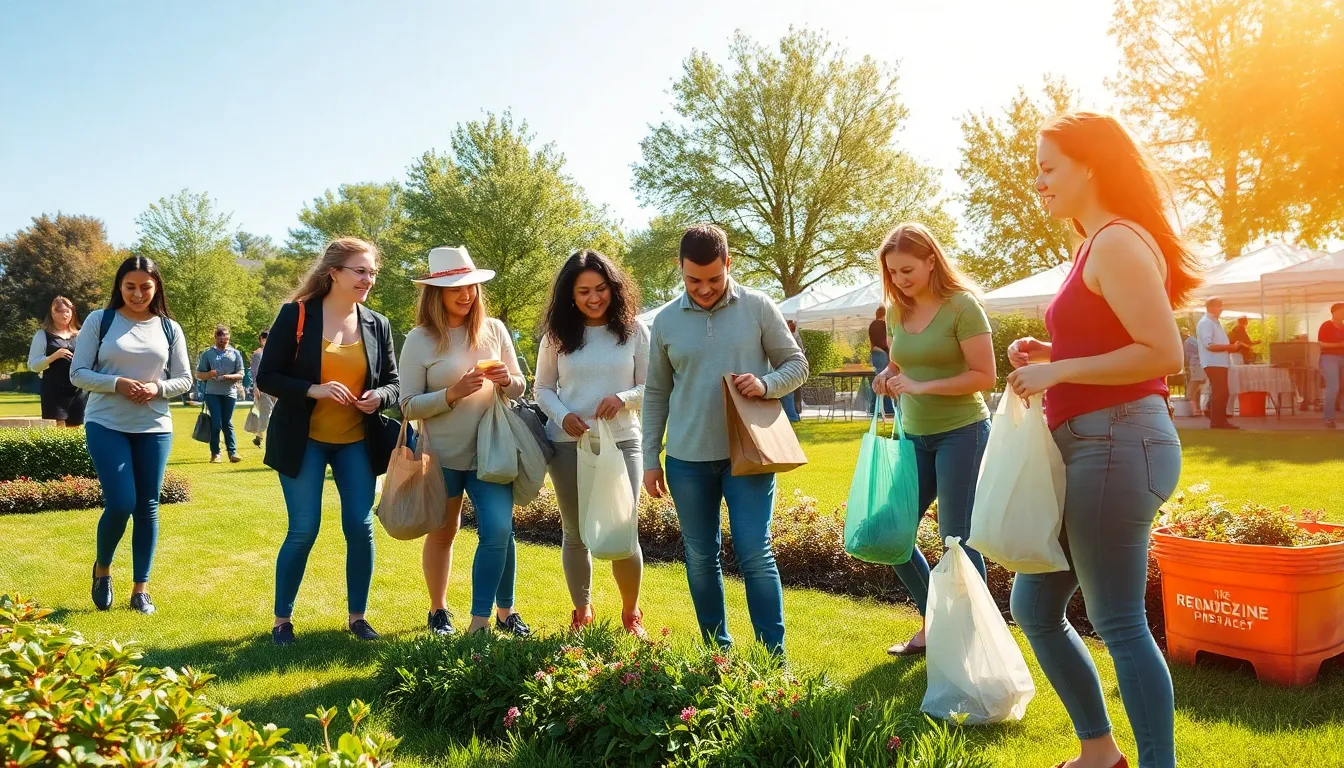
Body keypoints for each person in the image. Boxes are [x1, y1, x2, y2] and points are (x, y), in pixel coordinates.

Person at [1005, 112, 1198, 768]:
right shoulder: (1093, 247)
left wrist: (1058, 368)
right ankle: (1098, 751)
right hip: (1095, 443)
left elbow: (1162, 351)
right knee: (1034, 602)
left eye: (1049, 167)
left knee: (1118, 621)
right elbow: (1115, 342)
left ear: (1090, 165)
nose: (1039, 182)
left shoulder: (1117, 241)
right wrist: (1051, 350)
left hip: (1117, 443)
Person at [642, 224, 808, 656]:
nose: (704, 289)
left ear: (728, 265)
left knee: (756, 553)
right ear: (680, 269)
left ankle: (774, 661)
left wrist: (767, 384)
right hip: (686, 459)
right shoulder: (664, 321)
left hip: (748, 456)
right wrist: (649, 458)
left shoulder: (758, 306)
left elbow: (796, 364)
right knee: (700, 558)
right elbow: (656, 393)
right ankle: (719, 655)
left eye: (714, 279)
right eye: (693, 280)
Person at [256, 237, 400, 646]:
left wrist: (380, 397)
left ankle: (358, 617)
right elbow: (267, 377)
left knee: (360, 525)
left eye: (372, 272)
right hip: (305, 441)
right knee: (304, 529)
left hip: (356, 440)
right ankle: (282, 620)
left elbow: (393, 382)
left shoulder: (378, 323)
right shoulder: (296, 315)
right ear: (333, 272)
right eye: (361, 270)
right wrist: (313, 389)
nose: (368, 279)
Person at [870, 223, 996, 657]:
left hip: (963, 432)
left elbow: (985, 376)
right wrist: (885, 378)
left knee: (955, 542)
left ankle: (976, 638)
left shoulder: (963, 307)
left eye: (907, 270)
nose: (901, 280)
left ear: (930, 260)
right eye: (893, 273)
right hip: (915, 437)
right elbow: (899, 364)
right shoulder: (895, 311)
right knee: (890, 532)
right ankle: (937, 626)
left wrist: (922, 387)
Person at [398, 246, 531, 638]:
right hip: (441, 456)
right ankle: (438, 610)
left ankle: (496, 615)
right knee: (444, 532)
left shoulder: (495, 330)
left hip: (492, 452)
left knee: (499, 530)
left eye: (470, 285)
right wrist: (452, 393)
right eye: (455, 286)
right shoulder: (419, 340)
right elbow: (407, 405)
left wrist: (508, 380)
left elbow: (521, 387)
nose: (465, 293)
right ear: (435, 292)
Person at [535, 249, 649, 637]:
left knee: (623, 529)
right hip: (568, 442)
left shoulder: (634, 331)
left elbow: (651, 386)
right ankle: (582, 612)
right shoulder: (557, 336)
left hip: (622, 442)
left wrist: (623, 398)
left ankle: (631, 615)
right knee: (575, 533)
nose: (594, 298)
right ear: (571, 294)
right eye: (584, 291)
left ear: (614, 289)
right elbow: (543, 389)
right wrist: (562, 414)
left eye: (601, 289)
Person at [70, 256, 192, 615]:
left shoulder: (170, 328)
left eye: (145, 287)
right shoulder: (100, 320)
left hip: (154, 426)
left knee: (148, 506)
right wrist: (117, 383)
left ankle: (141, 588)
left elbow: (184, 379)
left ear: (156, 288)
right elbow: (78, 373)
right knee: (121, 502)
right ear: (119, 287)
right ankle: (102, 569)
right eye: (130, 286)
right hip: (106, 422)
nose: (138, 294)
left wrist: (157, 388)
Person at [27, 296, 87, 427]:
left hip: (77, 391)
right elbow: (33, 366)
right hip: (53, 392)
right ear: (52, 314)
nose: (64, 315)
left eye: (67, 311)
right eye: (59, 311)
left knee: (77, 430)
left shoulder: (81, 335)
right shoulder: (42, 335)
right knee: (57, 431)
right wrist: (53, 356)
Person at [196, 324, 246, 463]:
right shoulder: (207, 354)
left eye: (226, 339)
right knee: (216, 423)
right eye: (220, 339)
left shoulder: (235, 354)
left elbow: (241, 373)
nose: (223, 342)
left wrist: (230, 377)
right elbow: (199, 374)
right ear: (215, 338)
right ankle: (215, 453)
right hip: (212, 393)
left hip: (229, 393)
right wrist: (209, 374)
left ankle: (232, 452)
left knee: (227, 422)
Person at [1197, 297, 1241, 429]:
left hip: (1219, 362)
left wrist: (1229, 347)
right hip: (1213, 362)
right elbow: (1209, 345)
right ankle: (1217, 421)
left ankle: (1218, 418)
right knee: (1220, 391)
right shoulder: (1206, 323)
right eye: (1218, 306)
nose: (1221, 309)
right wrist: (1229, 348)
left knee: (1222, 392)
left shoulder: (1213, 322)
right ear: (1210, 308)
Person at [1319, 302, 1344, 429]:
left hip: (1342, 357)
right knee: (1333, 387)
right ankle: (1329, 418)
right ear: (1335, 311)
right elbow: (1322, 344)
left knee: (1340, 387)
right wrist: (1340, 345)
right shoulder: (1326, 325)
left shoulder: (1343, 327)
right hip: (1328, 358)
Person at [249, 330, 275, 447]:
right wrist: (256, 387)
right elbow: (255, 373)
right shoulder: (257, 354)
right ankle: (260, 436)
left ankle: (261, 435)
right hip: (263, 388)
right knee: (266, 411)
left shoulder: (275, 353)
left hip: (275, 388)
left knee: (273, 412)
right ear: (261, 340)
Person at [868, 307, 895, 416]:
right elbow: (886, 341)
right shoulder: (882, 324)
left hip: (876, 353)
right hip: (882, 354)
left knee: (877, 381)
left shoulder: (872, 325)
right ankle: (887, 408)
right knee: (885, 381)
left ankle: (875, 408)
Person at [780, 320, 803, 423]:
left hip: (788, 368)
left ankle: (792, 416)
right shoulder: (792, 337)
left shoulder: (790, 338)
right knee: (789, 394)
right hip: (788, 368)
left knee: (788, 394)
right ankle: (793, 415)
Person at [1181, 329, 1204, 417]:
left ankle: (1195, 408)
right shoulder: (1190, 341)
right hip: (1196, 364)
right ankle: (1189, 407)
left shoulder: (1190, 341)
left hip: (1196, 364)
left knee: (1196, 385)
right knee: (1195, 384)